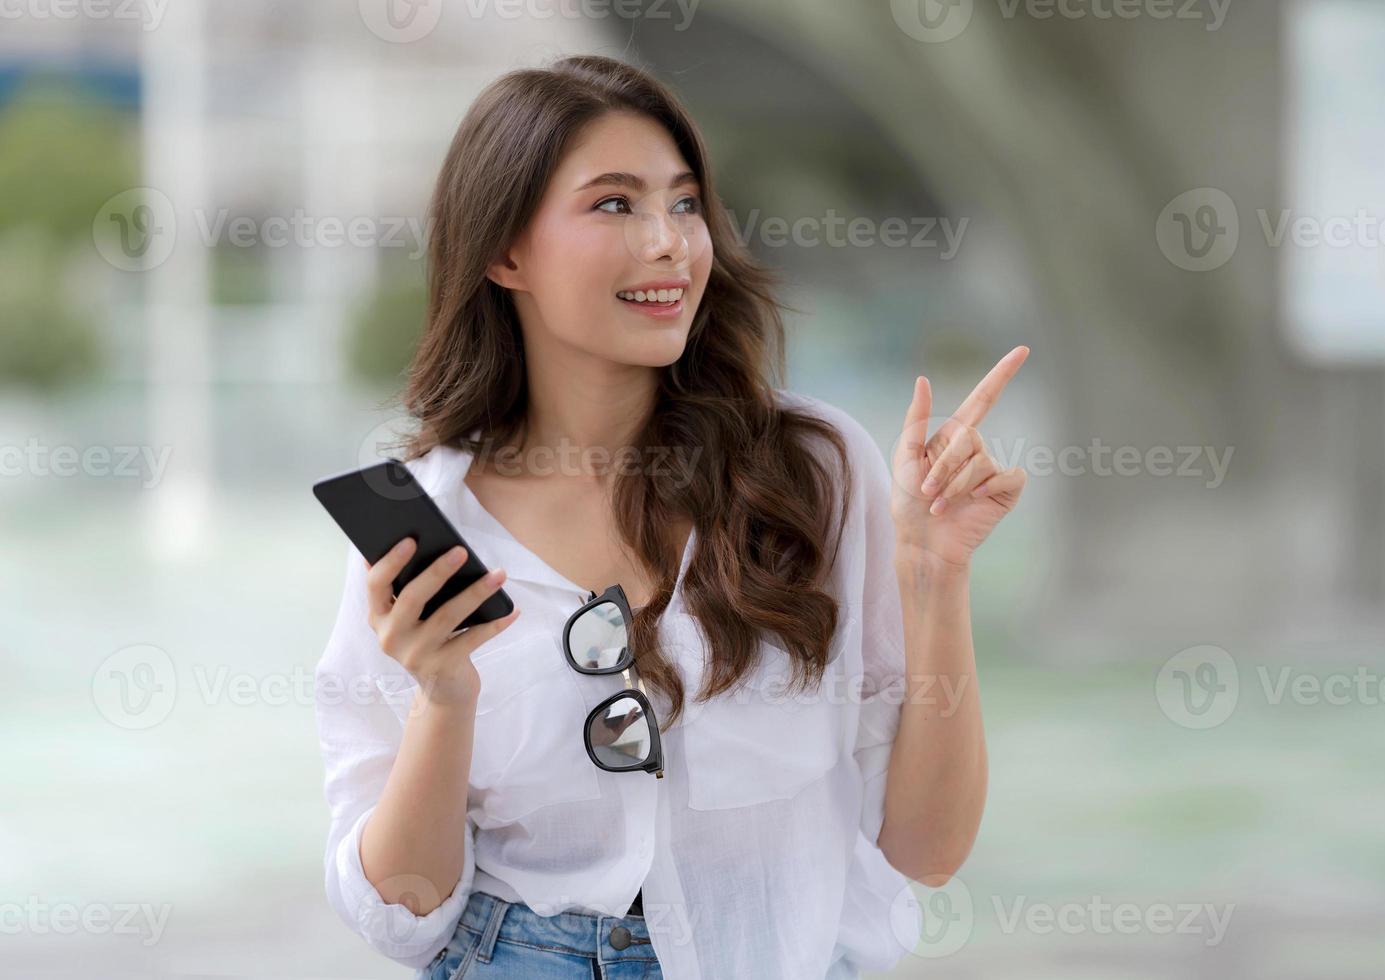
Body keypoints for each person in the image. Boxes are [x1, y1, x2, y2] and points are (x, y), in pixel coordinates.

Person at [313, 53, 1029, 980]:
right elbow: (403, 910)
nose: (670, 243)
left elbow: (926, 851)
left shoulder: (815, 471)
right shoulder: (433, 521)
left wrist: (937, 577)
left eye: (684, 203)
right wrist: (445, 700)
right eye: (616, 204)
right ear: (504, 251)